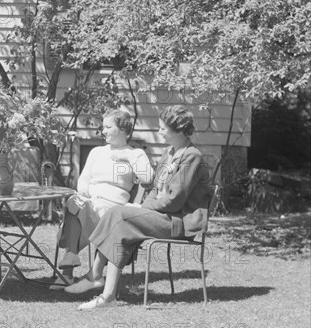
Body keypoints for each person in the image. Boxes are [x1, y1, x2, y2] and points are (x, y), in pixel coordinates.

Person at [73, 105, 212, 310]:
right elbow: (156, 189)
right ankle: (103, 288)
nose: (159, 132)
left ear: (179, 130)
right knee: (117, 215)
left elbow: (175, 200)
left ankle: (99, 283)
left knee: (120, 215)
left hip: (177, 222)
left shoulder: (191, 157)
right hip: (161, 215)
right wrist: (141, 206)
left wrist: (140, 207)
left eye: (163, 128)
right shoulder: (169, 153)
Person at [51, 109, 154, 290]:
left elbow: (147, 179)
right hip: (90, 201)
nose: (103, 131)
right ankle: (71, 260)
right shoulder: (97, 152)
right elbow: (84, 178)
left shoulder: (135, 153)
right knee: (73, 202)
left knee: (90, 208)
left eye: (108, 127)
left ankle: (76, 271)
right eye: (103, 127)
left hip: (113, 207)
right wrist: (83, 190)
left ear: (122, 129)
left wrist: (128, 156)